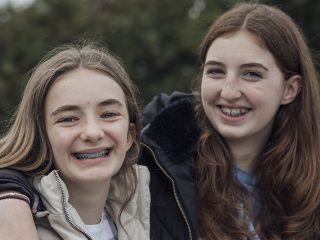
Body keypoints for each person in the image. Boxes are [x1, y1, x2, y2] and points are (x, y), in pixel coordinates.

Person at [1, 2, 320, 239]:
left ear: (290, 88)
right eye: (216, 71)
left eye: (252, 74)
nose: (229, 91)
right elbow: (36, 156)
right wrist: (10, 196)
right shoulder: (162, 153)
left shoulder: (308, 175)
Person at [0, 43, 150, 239]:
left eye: (108, 114)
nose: (92, 132)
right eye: (68, 119)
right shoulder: (12, 221)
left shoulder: (147, 212)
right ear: (41, 134)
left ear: (130, 135)